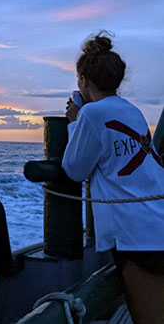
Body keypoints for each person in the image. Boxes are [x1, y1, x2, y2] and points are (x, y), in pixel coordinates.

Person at [62, 31, 164, 324]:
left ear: (82, 80)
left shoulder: (92, 114)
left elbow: (74, 168)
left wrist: (74, 122)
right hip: (156, 222)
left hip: (134, 235)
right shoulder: (133, 112)